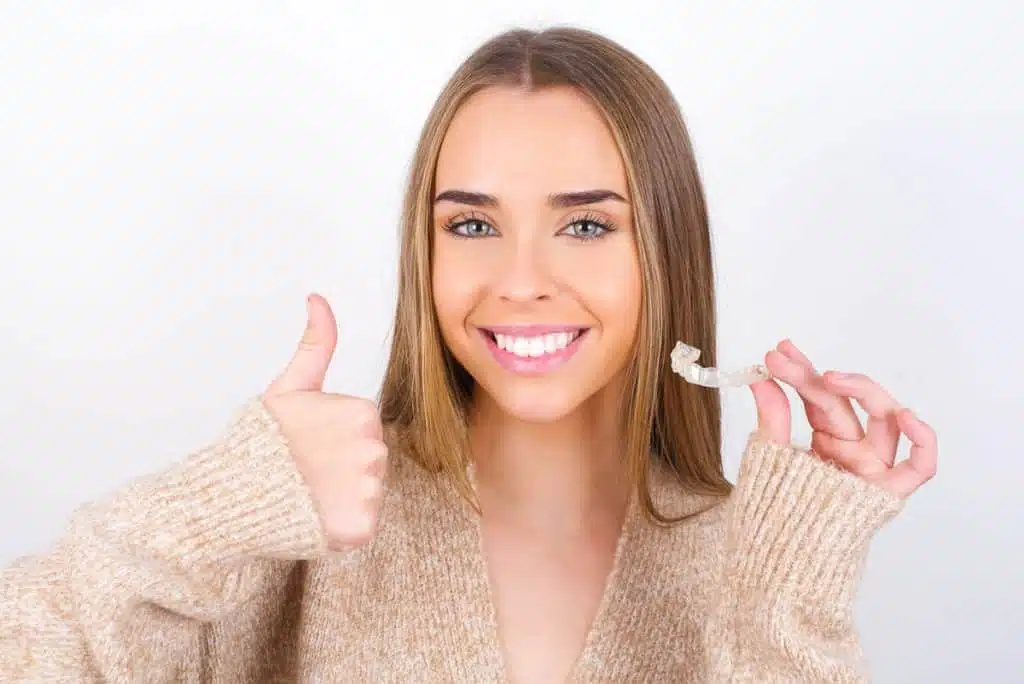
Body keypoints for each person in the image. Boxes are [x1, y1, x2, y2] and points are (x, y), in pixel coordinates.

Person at [0, 26, 937, 683]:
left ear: (666, 251)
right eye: (475, 223)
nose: (521, 279)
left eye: (583, 223)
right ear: (428, 248)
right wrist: (221, 504)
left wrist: (792, 578)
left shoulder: (743, 562)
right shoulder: (292, 532)